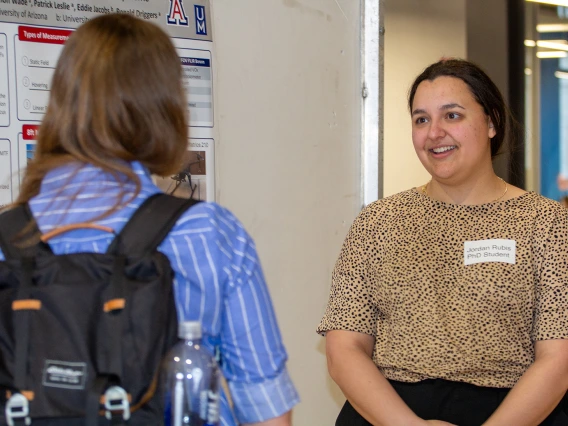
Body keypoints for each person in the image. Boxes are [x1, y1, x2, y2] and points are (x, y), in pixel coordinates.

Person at [0, 14, 299, 426]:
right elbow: (266, 410)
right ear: (165, 108)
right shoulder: (208, 232)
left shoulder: (8, 238)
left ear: (61, 105)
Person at [317, 59, 568, 426]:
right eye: (421, 120)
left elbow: (558, 359)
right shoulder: (377, 222)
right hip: (389, 414)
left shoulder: (547, 223)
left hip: (511, 413)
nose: (434, 133)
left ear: (492, 123)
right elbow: (344, 350)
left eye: (452, 116)